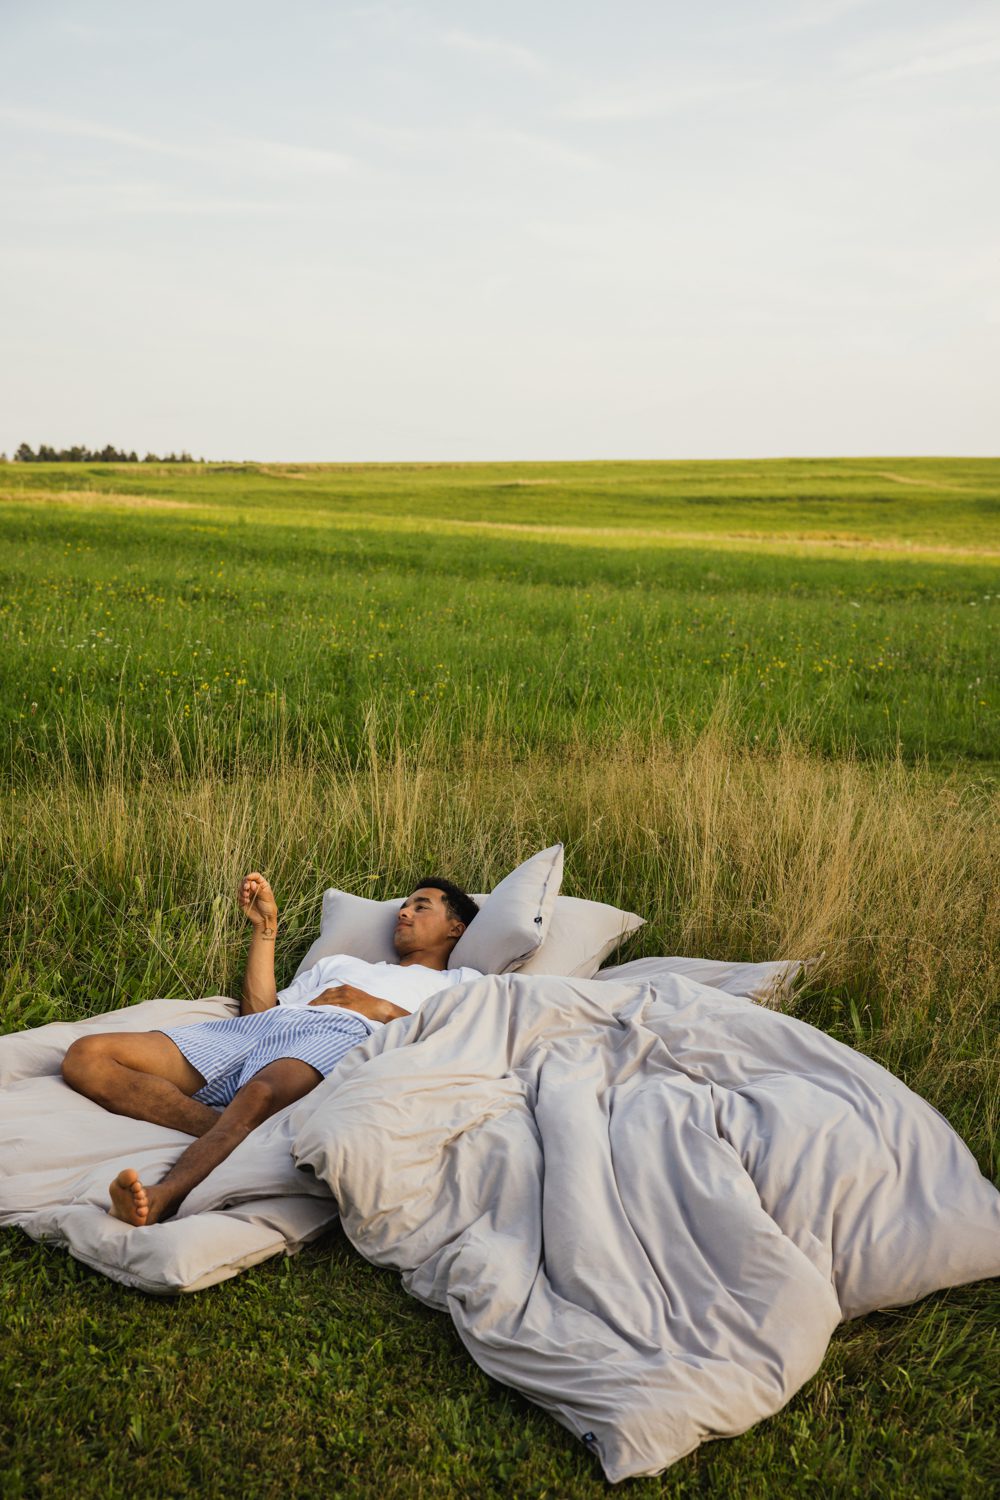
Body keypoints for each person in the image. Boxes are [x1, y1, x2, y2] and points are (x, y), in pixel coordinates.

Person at [61, 872, 481, 1227]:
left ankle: (161, 1197)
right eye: (403, 905)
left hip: (342, 1033)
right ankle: (231, 1131)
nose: (404, 912)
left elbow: (461, 1036)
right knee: (87, 1057)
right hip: (263, 1028)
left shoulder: (464, 982)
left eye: (421, 906)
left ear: (455, 928)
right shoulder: (342, 965)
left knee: (258, 1094)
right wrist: (265, 930)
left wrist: (382, 1008)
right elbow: (259, 1009)